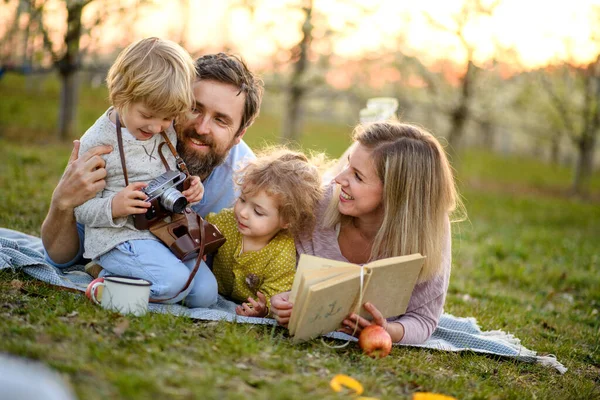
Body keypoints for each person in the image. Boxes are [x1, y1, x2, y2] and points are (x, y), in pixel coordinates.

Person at [40, 52, 264, 274]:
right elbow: (63, 258)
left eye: (220, 120)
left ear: (239, 135)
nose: (201, 128)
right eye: (194, 108)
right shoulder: (126, 142)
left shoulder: (245, 183)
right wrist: (62, 202)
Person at [270, 121, 463, 344]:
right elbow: (274, 273)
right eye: (348, 165)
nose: (338, 179)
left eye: (358, 176)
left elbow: (423, 319)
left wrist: (388, 330)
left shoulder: (429, 234)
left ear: (396, 196)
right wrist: (279, 300)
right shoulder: (314, 206)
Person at [73, 37, 217, 305]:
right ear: (120, 94)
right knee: (175, 286)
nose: (156, 127)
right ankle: (105, 278)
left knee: (205, 295)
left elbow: (169, 176)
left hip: (163, 234)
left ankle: (138, 277)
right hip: (119, 239)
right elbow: (79, 209)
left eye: (167, 118)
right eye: (147, 115)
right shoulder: (98, 143)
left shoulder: (165, 130)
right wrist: (114, 206)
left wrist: (190, 187)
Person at [205, 148, 323, 317]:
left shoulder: (281, 253)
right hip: (216, 290)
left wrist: (263, 308)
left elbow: (276, 293)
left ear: (286, 221)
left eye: (258, 212)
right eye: (242, 200)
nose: (243, 212)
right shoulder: (227, 220)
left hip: (245, 302)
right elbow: (203, 230)